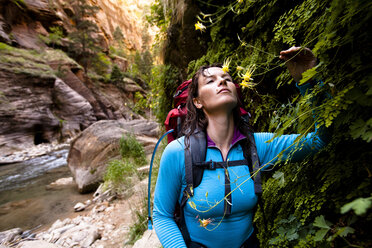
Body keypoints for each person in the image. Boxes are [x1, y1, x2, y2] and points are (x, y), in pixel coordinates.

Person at [153, 47, 327, 248]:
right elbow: (162, 215)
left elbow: (318, 141)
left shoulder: (257, 145)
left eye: (226, 78)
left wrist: (308, 80)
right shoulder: (179, 152)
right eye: (210, 81)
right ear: (198, 102)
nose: (222, 81)